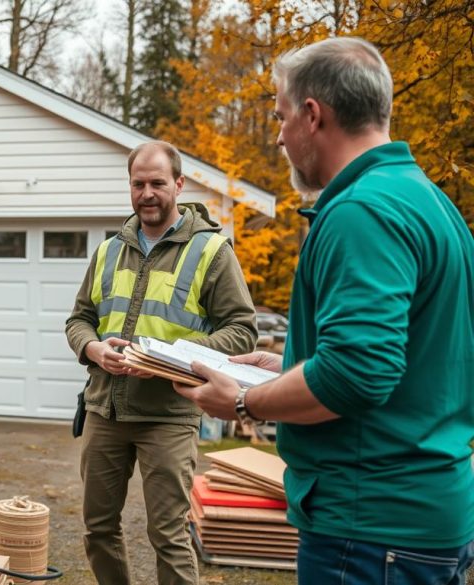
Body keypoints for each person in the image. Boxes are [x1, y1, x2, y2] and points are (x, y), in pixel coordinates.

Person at [173, 37, 474, 584]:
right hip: (424, 516)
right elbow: (410, 357)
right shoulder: (430, 203)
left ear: (313, 115)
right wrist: (287, 365)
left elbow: (357, 373)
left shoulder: (360, 211)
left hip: (370, 527)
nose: (280, 136)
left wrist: (243, 400)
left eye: (282, 116)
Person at [65, 140, 257, 584]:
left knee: (168, 534)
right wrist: (93, 349)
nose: (147, 193)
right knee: (98, 529)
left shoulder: (211, 251)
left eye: (157, 183)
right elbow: (80, 319)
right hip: (104, 410)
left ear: (179, 184)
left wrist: (167, 357)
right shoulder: (110, 250)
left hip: (168, 416)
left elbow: (242, 330)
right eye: (138, 184)